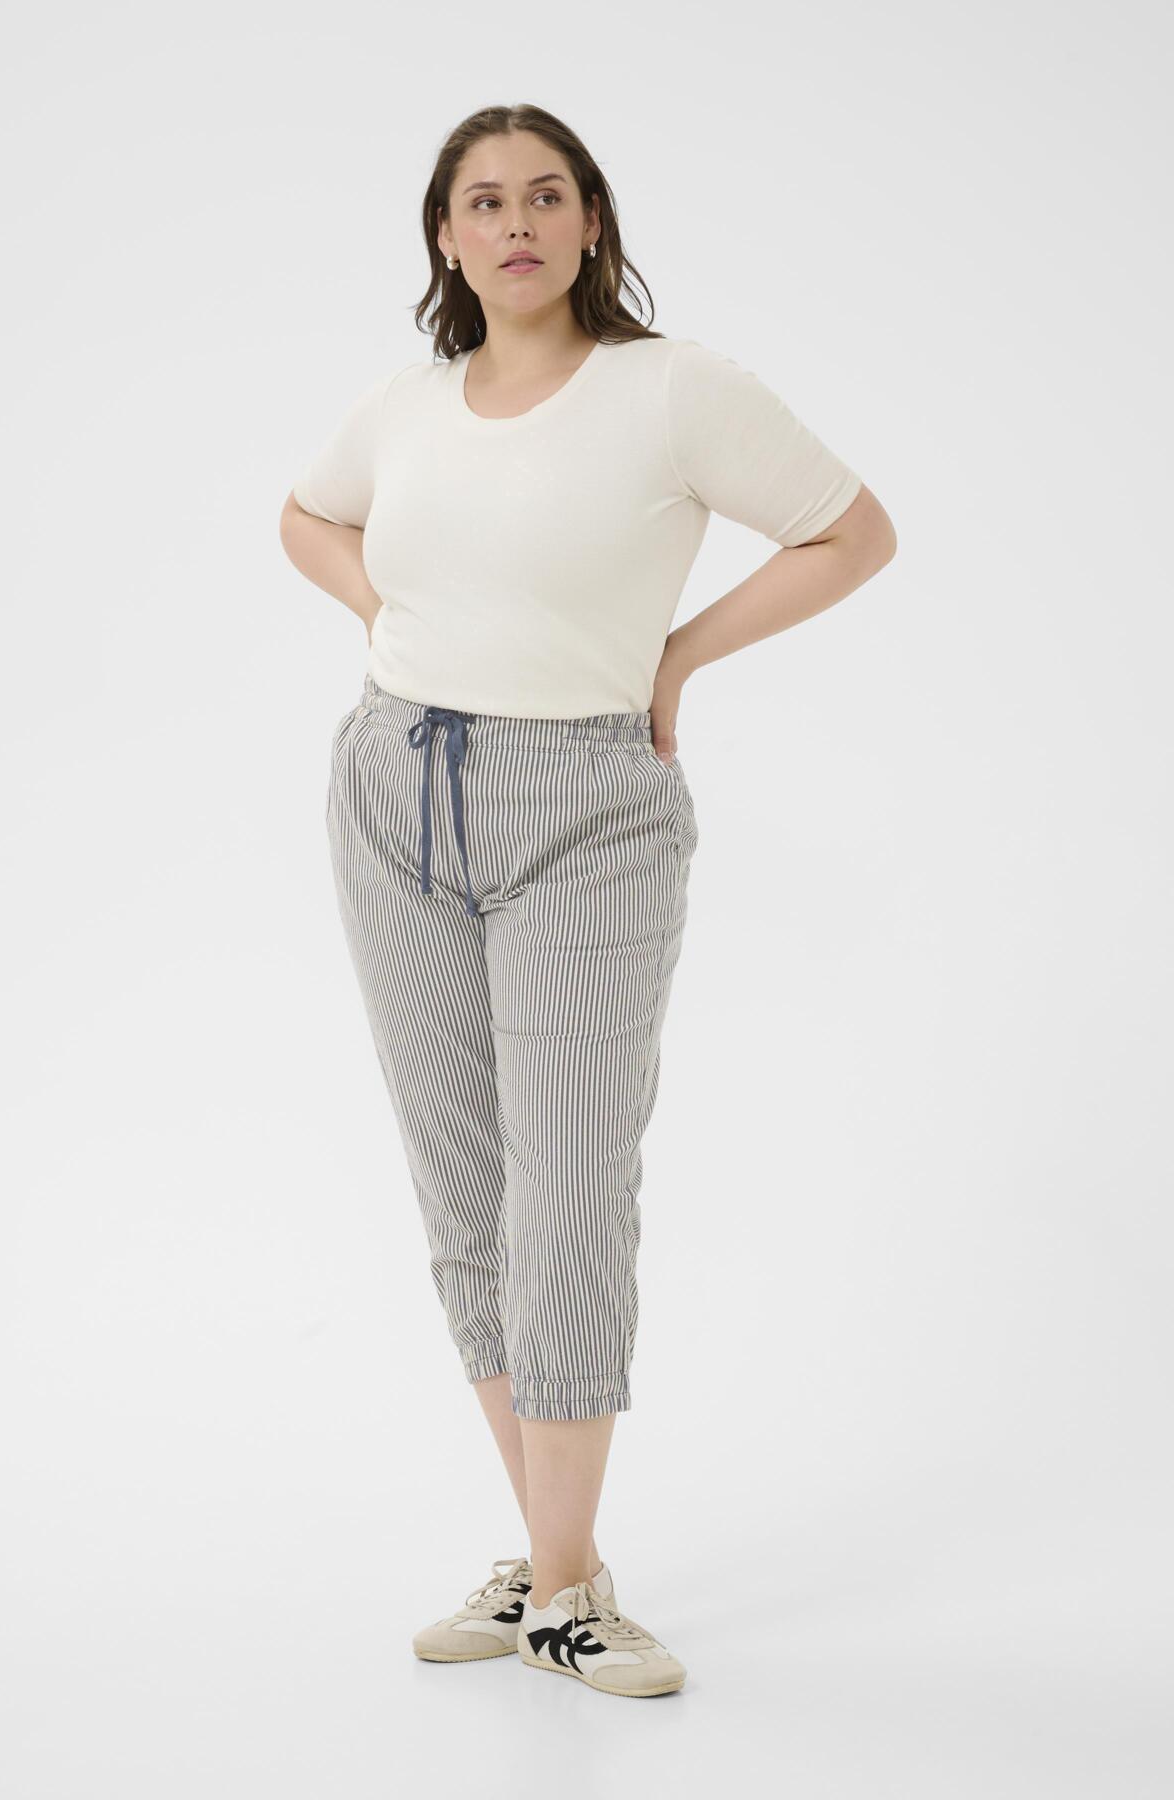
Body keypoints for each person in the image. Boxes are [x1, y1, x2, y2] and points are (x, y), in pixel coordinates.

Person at [280, 102, 896, 1700]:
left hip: (587, 808)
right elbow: (307, 513)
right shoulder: (408, 405)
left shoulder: (673, 389)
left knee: (568, 1193)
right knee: (465, 1196)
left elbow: (853, 530)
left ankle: (566, 1593)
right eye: (485, 201)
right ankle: (556, 1566)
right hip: (394, 788)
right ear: (446, 237)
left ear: (593, 222)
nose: (517, 224)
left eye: (546, 195)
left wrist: (680, 655)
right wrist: (381, 610)